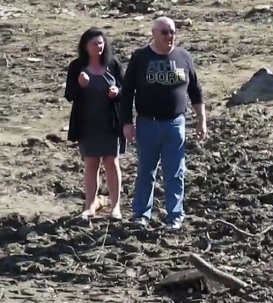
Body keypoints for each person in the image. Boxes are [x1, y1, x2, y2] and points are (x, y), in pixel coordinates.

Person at [120, 16, 207, 230]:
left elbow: (195, 90)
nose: (170, 36)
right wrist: (126, 123)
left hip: (176, 124)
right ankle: (141, 214)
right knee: (146, 171)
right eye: (165, 32)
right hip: (147, 123)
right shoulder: (140, 57)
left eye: (173, 32)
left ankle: (175, 216)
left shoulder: (183, 57)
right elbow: (127, 91)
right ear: (154, 33)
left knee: (175, 171)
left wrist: (201, 120)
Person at [64, 27, 126, 220]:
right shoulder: (77, 66)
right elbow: (69, 95)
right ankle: (90, 205)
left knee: (111, 161)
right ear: (85, 46)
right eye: (94, 44)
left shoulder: (113, 64)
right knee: (91, 163)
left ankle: (115, 207)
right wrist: (80, 85)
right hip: (87, 124)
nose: (98, 47)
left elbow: (126, 89)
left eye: (101, 43)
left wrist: (118, 92)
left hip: (110, 123)